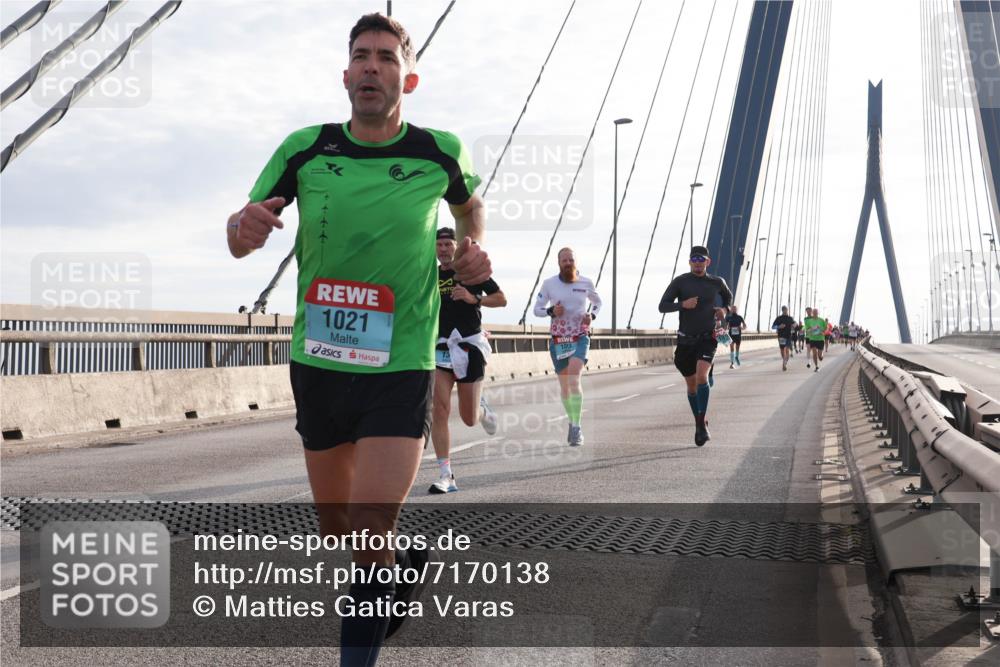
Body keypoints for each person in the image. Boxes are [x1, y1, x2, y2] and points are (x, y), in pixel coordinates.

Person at [226, 13, 490, 665]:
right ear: (345, 74)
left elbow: (470, 207)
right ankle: (396, 573)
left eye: (387, 57)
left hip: (400, 364)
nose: (372, 66)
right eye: (361, 56)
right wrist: (244, 226)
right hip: (317, 362)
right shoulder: (306, 149)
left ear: (410, 76)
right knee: (340, 530)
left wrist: (473, 251)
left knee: (372, 521)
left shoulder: (440, 151)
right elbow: (238, 235)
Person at [430, 226, 506, 494]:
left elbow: (501, 299)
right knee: (438, 410)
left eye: (449, 245)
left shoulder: (471, 270)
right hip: (440, 347)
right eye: (439, 245)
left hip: (470, 347)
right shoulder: (429, 274)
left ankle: (483, 409)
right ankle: (446, 475)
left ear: (457, 247)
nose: (444, 250)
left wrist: (474, 298)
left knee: (469, 418)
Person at [658, 245, 732, 446]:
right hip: (685, 340)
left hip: (707, 338)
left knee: (701, 376)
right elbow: (662, 306)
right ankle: (700, 420)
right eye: (694, 259)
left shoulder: (717, 282)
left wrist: (723, 309)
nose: (698, 262)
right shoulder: (680, 282)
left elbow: (728, 298)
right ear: (690, 262)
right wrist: (682, 304)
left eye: (702, 259)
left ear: (708, 262)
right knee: (692, 386)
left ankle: (700, 424)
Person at [533, 247, 602, 446]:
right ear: (559, 263)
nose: (568, 263)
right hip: (558, 339)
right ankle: (572, 422)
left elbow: (598, 302)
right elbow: (537, 310)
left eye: (571, 259)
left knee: (573, 378)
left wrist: (592, 316)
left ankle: (577, 427)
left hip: (579, 336)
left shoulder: (585, 282)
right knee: (565, 387)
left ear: (575, 262)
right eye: (564, 260)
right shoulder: (549, 284)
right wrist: (551, 311)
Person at [804, 307, 829, 372]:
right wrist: (812, 329)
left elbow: (827, 328)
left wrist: (823, 332)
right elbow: (807, 329)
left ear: (818, 313)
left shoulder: (821, 320)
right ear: (812, 313)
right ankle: (816, 367)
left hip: (820, 339)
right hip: (812, 339)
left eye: (816, 313)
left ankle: (821, 355)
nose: (815, 314)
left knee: (819, 356)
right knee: (814, 353)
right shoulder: (809, 321)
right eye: (814, 313)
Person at [771, 306, 796, 372]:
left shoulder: (790, 318)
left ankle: (785, 362)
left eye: (786, 310)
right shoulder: (779, 318)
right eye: (784, 310)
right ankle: (784, 363)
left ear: (787, 310)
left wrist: (794, 325)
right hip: (781, 336)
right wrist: (779, 326)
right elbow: (773, 327)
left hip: (788, 336)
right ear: (782, 310)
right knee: (782, 350)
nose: (785, 311)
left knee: (787, 350)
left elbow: (795, 324)